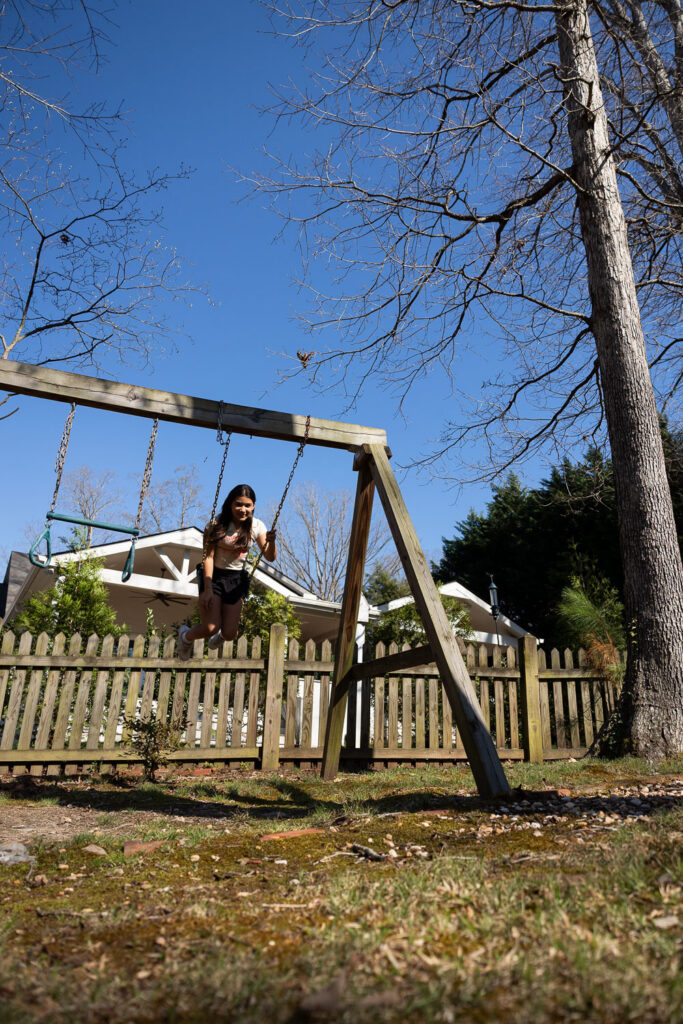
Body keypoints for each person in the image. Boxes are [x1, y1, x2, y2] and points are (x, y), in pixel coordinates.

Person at [177, 484, 276, 660]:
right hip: (213, 576)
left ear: (253, 506)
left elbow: (270, 557)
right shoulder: (216, 524)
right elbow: (208, 557)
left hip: (236, 579)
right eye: (238, 504)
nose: (243, 509)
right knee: (210, 627)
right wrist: (207, 588)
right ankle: (185, 637)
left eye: (247, 505)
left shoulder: (256, 526)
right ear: (230, 504)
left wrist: (271, 541)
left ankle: (219, 638)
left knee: (230, 633)